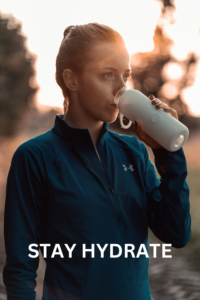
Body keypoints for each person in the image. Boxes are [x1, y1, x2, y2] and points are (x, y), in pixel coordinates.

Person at [3, 23, 191, 300]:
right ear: (72, 80)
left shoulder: (134, 152)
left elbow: (176, 234)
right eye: (107, 75)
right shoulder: (34, 156)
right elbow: (21, 267)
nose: (121, 89)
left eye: (125, 76)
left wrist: (168, 153)